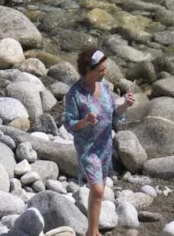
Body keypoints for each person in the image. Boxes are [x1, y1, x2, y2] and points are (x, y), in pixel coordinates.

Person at [63, 46, 134, 236]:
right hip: (87, 148)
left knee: (98, 191)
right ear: (89, 70)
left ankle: (91, 231)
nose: (105, 72)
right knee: (97, 189)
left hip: (104, 145)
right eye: (101, 69)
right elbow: (69, 124)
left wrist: (125, 105)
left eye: (105, 68)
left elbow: (113, 115)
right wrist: (85, 121)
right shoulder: (74, 95)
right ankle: (93, 232)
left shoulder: (104, 88)